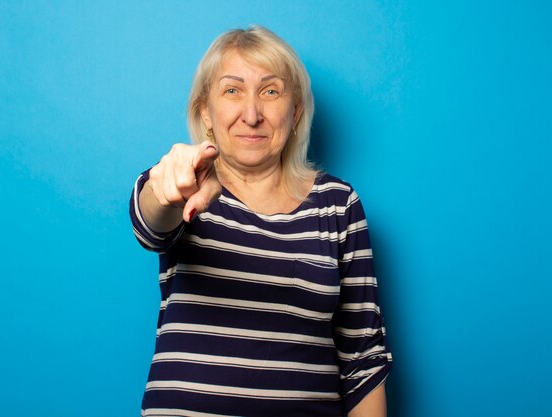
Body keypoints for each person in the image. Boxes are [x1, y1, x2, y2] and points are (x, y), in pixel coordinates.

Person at [130, 25, 392, 417]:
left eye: (270, 92)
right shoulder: (187, 184)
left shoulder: (337, 205)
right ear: (206, 111)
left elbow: (363, 358)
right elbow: (151, 222)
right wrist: (165, 190)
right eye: (232, 90)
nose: (251, 114)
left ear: (296, 110)